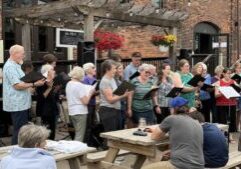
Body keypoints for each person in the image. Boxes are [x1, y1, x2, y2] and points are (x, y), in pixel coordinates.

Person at [142, 96, 204, 169]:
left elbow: (154, 137)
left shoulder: (172, 118)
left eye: (170, 108)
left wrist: (163, 132)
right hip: (199, 165)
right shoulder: (195, 122)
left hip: (181, 165)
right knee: (164, 157)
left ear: (174, 109)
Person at [3, 44, 45, 145]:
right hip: (17, 104)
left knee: (22, 130)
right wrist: (35, 83)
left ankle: (21, 151)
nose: (24, 55)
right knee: (19, 130)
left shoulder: (17, 64)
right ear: (15, 54)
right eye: (22, 53)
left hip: (22, 103)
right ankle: (15, 152)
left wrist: (34, 81)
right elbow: (17, 85)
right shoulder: (9, 67)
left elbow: (24, 80)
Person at [99, 60, 130, 132]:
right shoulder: (105, 81)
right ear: (107, 69)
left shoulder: (112, 79)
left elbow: (115, 94)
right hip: (108, 111)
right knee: (111, 135)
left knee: (117, 132)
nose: (115, 70)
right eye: (114, 69)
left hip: (115, 110)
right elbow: (110, 100)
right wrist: (123, 95)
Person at [66, 66, 95, 142]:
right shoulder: (80, 86)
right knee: (80, 135)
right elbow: (85, 102)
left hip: (72, 111)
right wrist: (90, 93)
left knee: (77, 132)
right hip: (80, 112)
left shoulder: (68, 84)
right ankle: (77, 152)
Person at [36, 64, 59, 140]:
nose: (54, 71)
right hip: (45, 111)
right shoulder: (41, 82)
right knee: (46, 133)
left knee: (53, 131)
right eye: (52, 70)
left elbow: (53, 96)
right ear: (47, 72)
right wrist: (49, 88)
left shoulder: (53, 81)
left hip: (53, 110)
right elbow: (41, 98)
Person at [215, 68, 237, 142]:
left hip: (232, 103)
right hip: (221, 104)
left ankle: (230, 136)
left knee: (231, 120)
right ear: (223, 74)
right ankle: (223, 137)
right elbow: (216, 95)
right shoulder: (218, 82)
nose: (229, 75)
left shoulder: (233, 82)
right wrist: (223, 92)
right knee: (222, 120)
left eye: (230, 73)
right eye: (227, 73)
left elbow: (238, 92)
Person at [82, 62, 97, 145]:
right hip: (88, 104)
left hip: (93, 103)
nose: (95, 69)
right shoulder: (85, 79)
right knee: (88, 125)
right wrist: (94, 91)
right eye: (93, 67)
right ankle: (86, 143)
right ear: (88, 70)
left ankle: (91, 142)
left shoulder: (94, 79)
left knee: (92, 124)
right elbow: (87, 92)